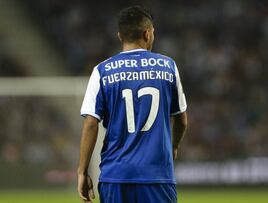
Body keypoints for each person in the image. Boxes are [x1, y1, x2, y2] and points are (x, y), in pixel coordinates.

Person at [77, 6, 187, 203]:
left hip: (116, 176)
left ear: (120, 35)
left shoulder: (102, 71)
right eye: (152, 32)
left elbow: (91, 123)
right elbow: (181, 120)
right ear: (147, 34)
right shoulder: (168, 66)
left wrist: (82, 172)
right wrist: (174, 146)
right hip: (156, 176)